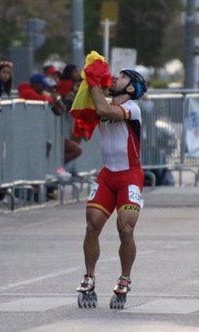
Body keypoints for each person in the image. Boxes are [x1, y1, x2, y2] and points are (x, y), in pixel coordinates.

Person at [76, 68, 147, 308]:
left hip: (130, 175)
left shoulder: (132, 108)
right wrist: (85, 82)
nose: (115, 77)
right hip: (107, 175)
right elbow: (86, 104)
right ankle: (89, 277)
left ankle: (125, 278)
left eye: (122, 77)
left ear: (130, 88)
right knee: (92, 225)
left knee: (125, 228)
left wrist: (94, 81)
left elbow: (105, 111)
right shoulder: (103, 100)